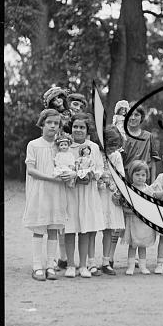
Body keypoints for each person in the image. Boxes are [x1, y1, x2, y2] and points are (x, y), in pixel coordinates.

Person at [23, 109, 71, 281]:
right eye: (49, 122)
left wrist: (69, 174)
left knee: (53, 229)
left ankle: (50, 265)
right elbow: (31, 170)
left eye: (56, 123)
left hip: (57, 193)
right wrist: (52, 178)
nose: (52, 126)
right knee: (39, 228)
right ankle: (37, 266)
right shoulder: (34, 145)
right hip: (40, 191)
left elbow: (69, 165)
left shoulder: (61, 146)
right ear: (42, 124)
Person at [61, 112, 106, 278]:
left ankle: (83, 265)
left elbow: (99, 168)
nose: (78, 130)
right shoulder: (66, 146)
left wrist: (91, 175)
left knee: (85, 229)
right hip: (70, 192)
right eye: (75, 126)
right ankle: (70, 265)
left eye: (82, 127)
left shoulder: (93, 147)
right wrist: (72, 175)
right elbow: (61, 165)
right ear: (71, 128)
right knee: (70, 228)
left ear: (87, 130)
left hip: (88, 192)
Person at [97, 125, 126, 275]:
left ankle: (106, 261)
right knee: (91, 229)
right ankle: (89, 261)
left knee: (108, 229)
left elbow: (121, 175)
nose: (112, 148)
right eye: (110, 145)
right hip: (97, 193)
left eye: (115, 145)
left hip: (109, 194)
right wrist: (101, 177)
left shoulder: (116, 156)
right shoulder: (95, 152)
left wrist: (116, 189)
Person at [122, 160, 158, 275]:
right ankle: (131, 266)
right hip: (133, 221)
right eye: (137, 174)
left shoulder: (149, 190)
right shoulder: (129, 189)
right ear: (131, 175)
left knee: (143, 245)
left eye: (143, 175)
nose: (140, 177)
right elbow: (125, 206)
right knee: (133, 245)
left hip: (144, 223)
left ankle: (143, 266)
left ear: (147, 176)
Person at [121, 102, 160, 182]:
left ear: (142, 117)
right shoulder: (121, 136)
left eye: (136, 115)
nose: (133, 118)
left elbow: (153, 162)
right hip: (126, 179)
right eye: (130, 114)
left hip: (144, 181)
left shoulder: (148, 136)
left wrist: (153, 183)